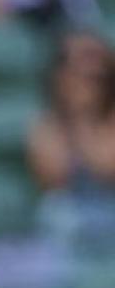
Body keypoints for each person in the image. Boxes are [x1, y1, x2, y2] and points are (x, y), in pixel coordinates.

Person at [27, 33, 115, 255]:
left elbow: (106, 169)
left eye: (96, 76)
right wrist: (74, 118)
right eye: (79, 73)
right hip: (69, 216)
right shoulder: (46, 124)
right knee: (58, 216)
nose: (88, 81)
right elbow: (54, 178)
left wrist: (86, 118)